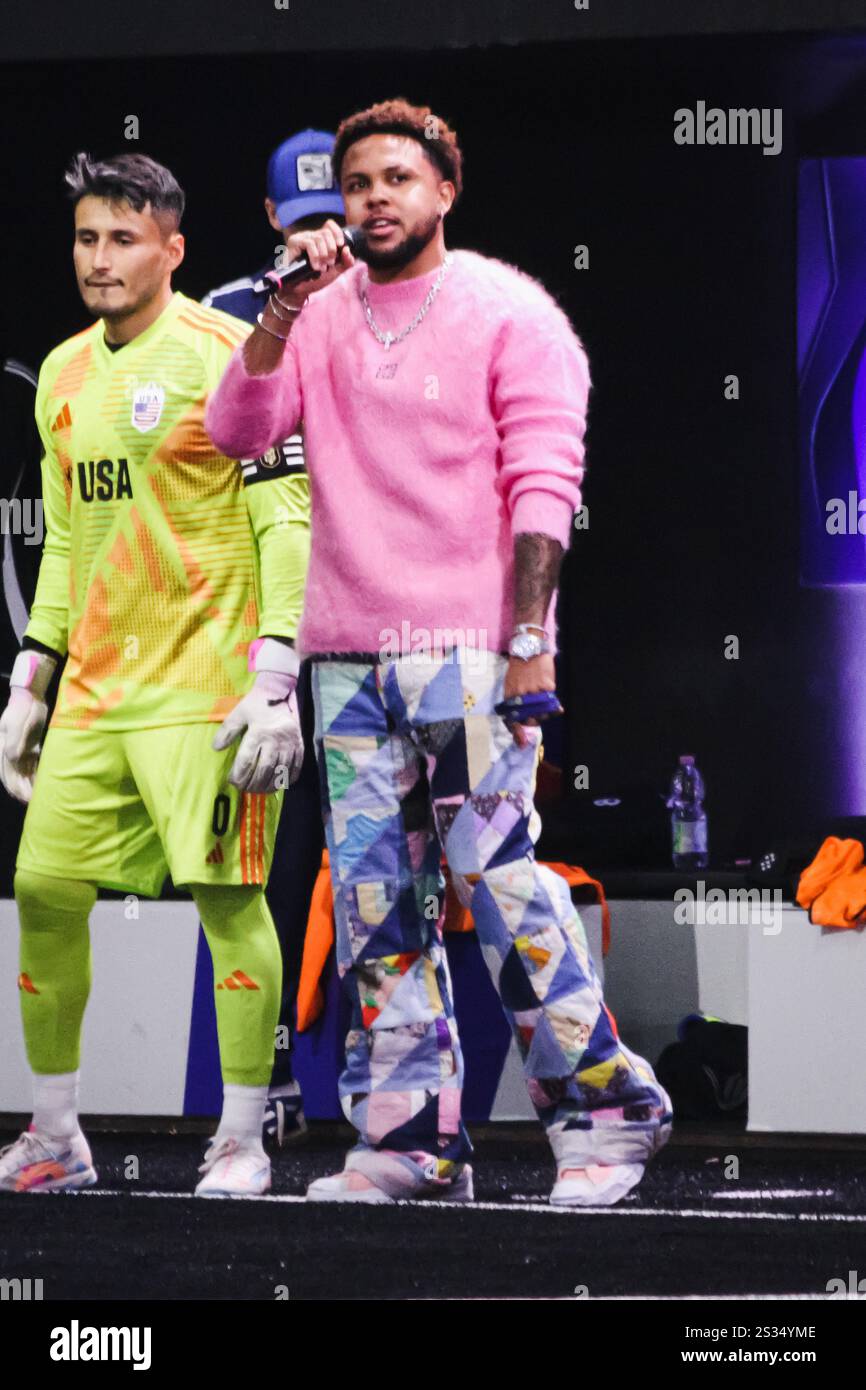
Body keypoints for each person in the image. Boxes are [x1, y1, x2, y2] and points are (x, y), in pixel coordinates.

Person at [206, 97, 673, 1207]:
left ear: (444, 191)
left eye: (396, 180)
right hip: (343, 663)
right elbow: (232, 432)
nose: (373, 199)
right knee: (375, 911)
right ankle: (409, 1140)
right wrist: (279, 308)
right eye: (356, 183)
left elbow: (543, 490)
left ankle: (609, 1111)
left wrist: (528, 647)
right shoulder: (312, 317)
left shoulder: (509, 310)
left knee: (500, 888)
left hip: (467, 657)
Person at [0, 151, 308, 1197]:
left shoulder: (235, 353)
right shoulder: (61, 374)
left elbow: (285, 518)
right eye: (87, 238)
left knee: (228, 898)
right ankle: (55, 1132)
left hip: (204, 688)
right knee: (42, 886)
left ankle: (238, 1136)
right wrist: (31, 678)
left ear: (171, 249)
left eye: (123, 239)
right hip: (92, 693)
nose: (100, 258)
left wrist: (275, 671)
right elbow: (66, 545)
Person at [201, 130, 345, 1147]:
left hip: (376, 630)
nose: (319, 237)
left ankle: (401, 1088)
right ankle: (275, 1079)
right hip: (271, 646)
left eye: (332, 215)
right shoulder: (221, 316)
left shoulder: (395, 311)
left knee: (390, 867)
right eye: (300, 223)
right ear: (269, 222)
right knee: (274, 866)